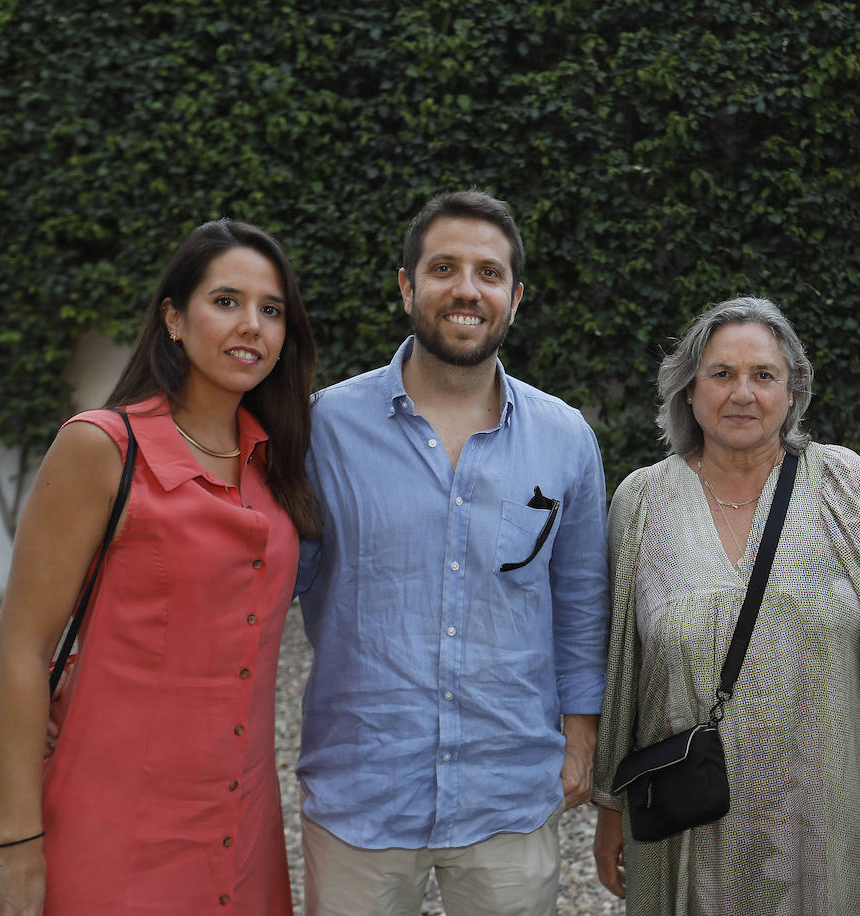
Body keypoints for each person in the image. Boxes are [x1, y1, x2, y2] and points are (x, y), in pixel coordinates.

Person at [0, 219, 320, 915]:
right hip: (115, 827)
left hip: (243, 825)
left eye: (271, 309)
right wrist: (18, 842)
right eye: (226, 301)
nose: (251, 326)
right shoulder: (102, 448)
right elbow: (21, 651)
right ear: (172, 317)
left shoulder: (276, 464)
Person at [294, 189, 609, 916]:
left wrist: (580, 742)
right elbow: (261, 584)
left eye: (489, 273)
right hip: (361, 795)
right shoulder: (323, 431)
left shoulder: (566, 440)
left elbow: (581, 601)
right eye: (443, 268)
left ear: (515, 297)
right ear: (407, 287)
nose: (467, 289)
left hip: (508, 791)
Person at [592, 297, 860, 915]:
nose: (742, 394)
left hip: (827, 822)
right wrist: (611, 805)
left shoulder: (840, 483)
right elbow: (622, 670)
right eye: (721, 374)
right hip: (689, 827)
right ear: (689, 388)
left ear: (792, 390)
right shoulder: (643, 500)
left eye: (763, 375)